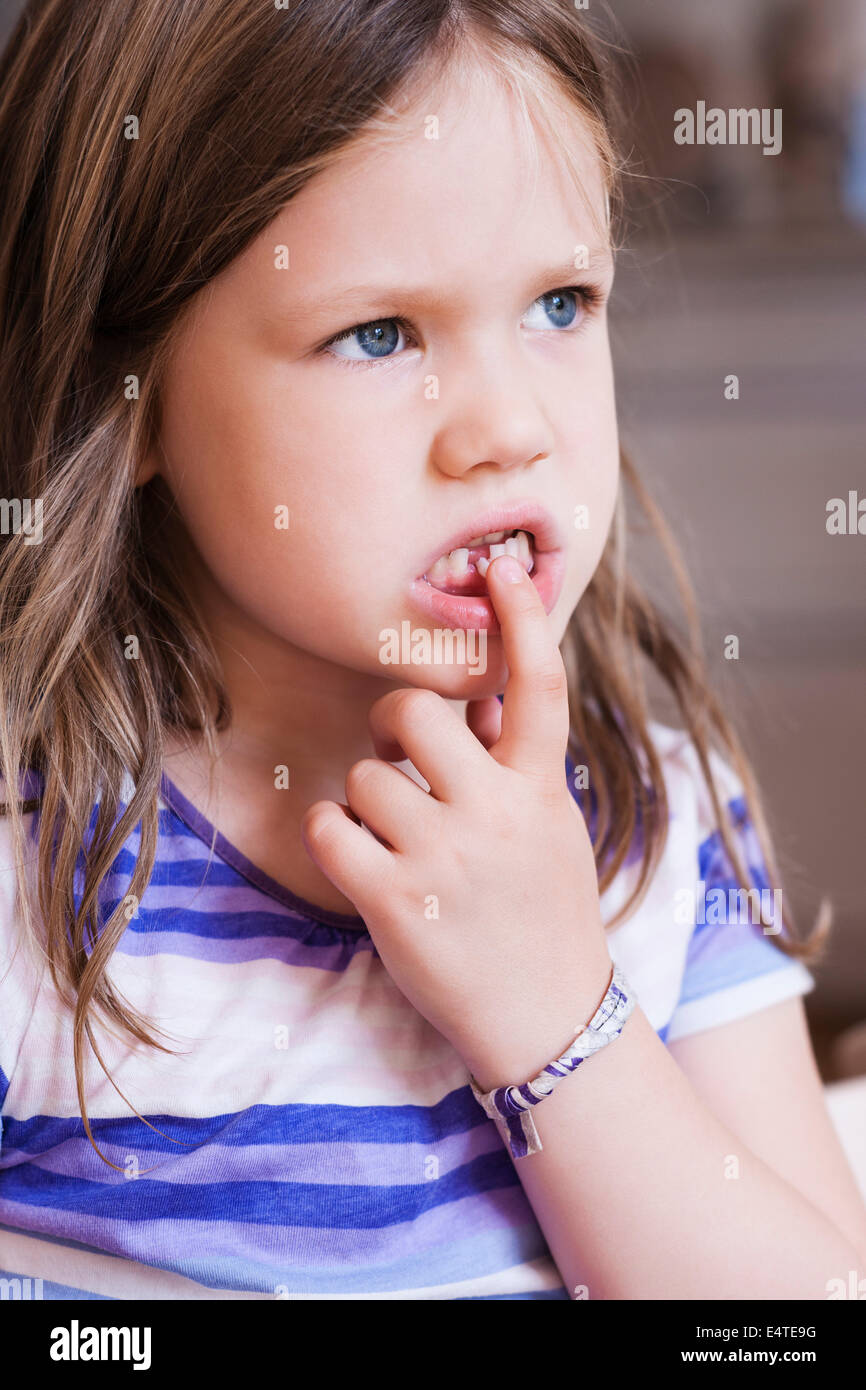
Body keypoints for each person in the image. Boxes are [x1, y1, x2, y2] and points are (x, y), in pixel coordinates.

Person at [1, 0, 864, 1301]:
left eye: (561, 304)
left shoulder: (658, 818)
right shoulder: (32, 844)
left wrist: (559, 1018)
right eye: (378, 334)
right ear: (126, 400)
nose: (511, 426)